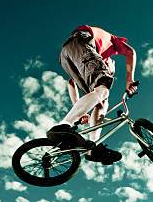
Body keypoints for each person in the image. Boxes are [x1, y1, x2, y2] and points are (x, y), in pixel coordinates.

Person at [47, 25, 137, 164]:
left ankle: (92, 147)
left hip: (67, 55)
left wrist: (81, 112)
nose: (109, 70)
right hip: (81, 40)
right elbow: (131, 52)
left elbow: (71, 83)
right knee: (104, 86)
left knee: (101, 101)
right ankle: (62, 126)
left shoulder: (94, 56)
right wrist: (129, 79)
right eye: (109, 69)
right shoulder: (113, 42)